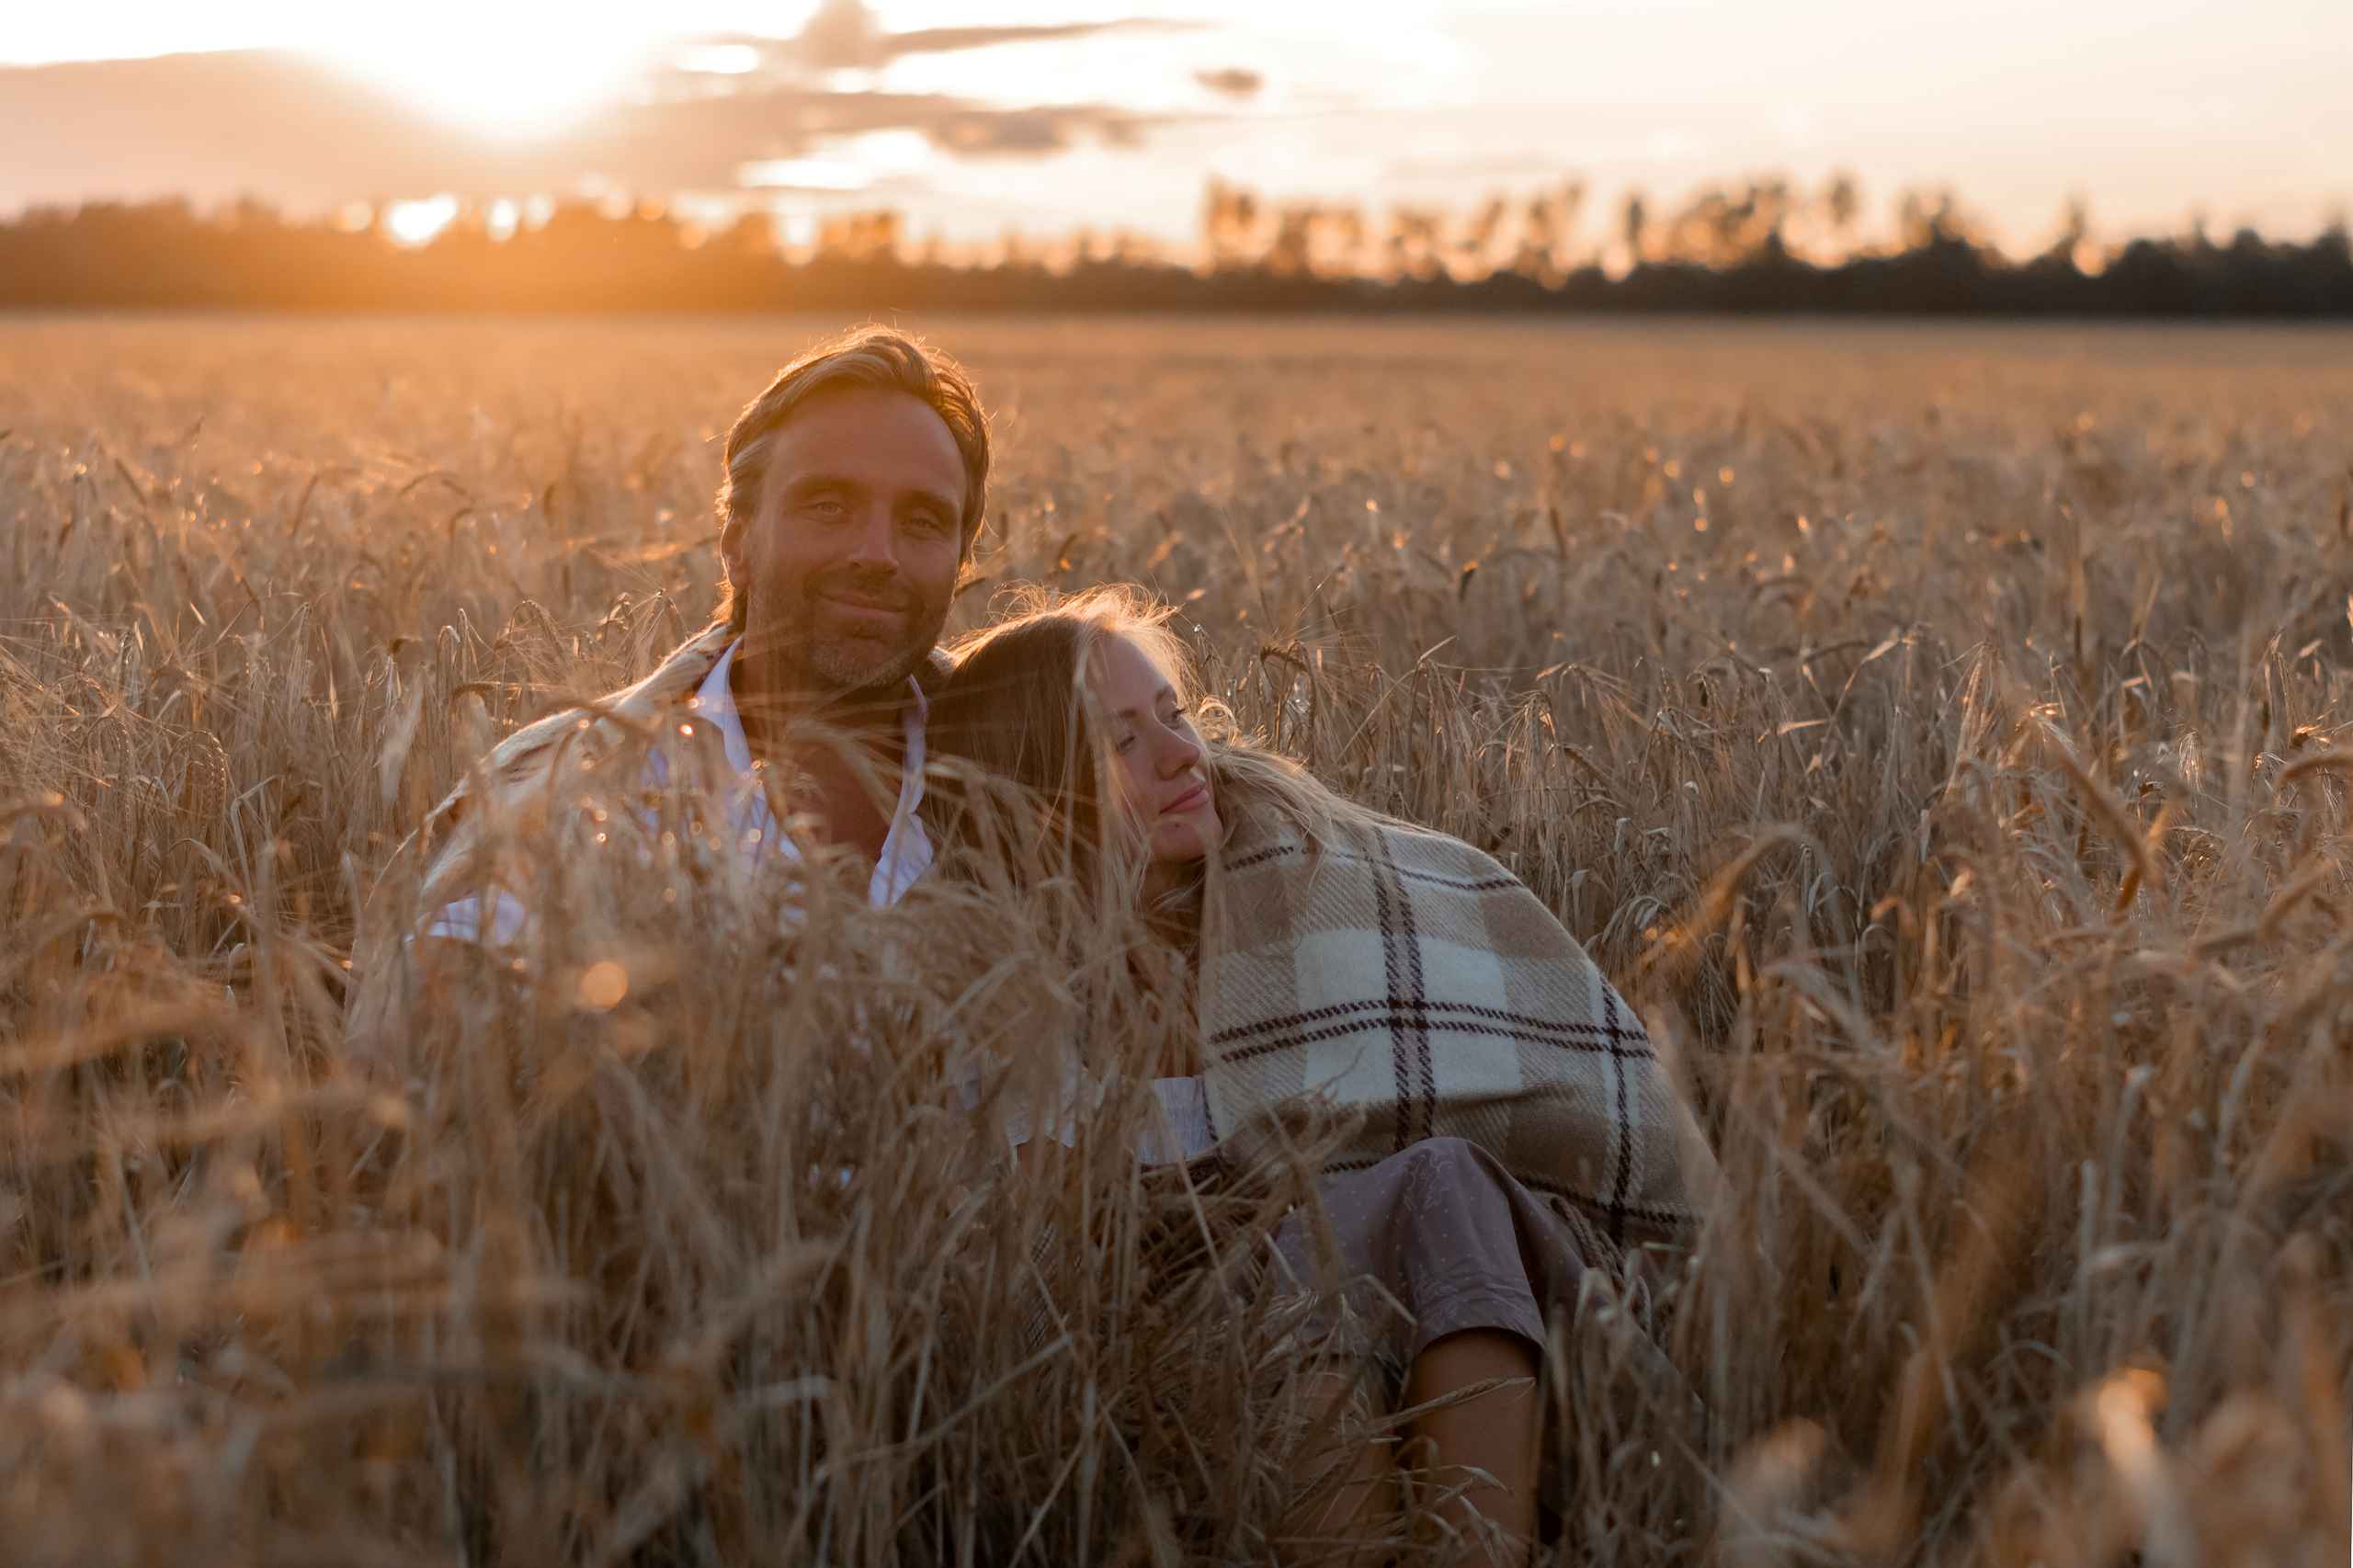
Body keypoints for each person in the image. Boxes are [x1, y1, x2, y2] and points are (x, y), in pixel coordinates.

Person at [926, 586, 1707, 1567]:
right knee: (1316, 1272)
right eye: (1120, 741)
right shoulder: (990, 993)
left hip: (1379, 1305)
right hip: (1155, 1382)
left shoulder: (1330, 902)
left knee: (1439, 1192)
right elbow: (1014, 1263)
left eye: (1173, 714)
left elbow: (1544, 1084)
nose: (1181, 755)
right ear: (1035, 786)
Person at [402, 324, 990, 960]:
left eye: (923, 521)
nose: (876, 554)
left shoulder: (1039, 773)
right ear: (736, 543)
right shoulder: (564, 787)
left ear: (960, 561)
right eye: (828, 506)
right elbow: (431, 1024)